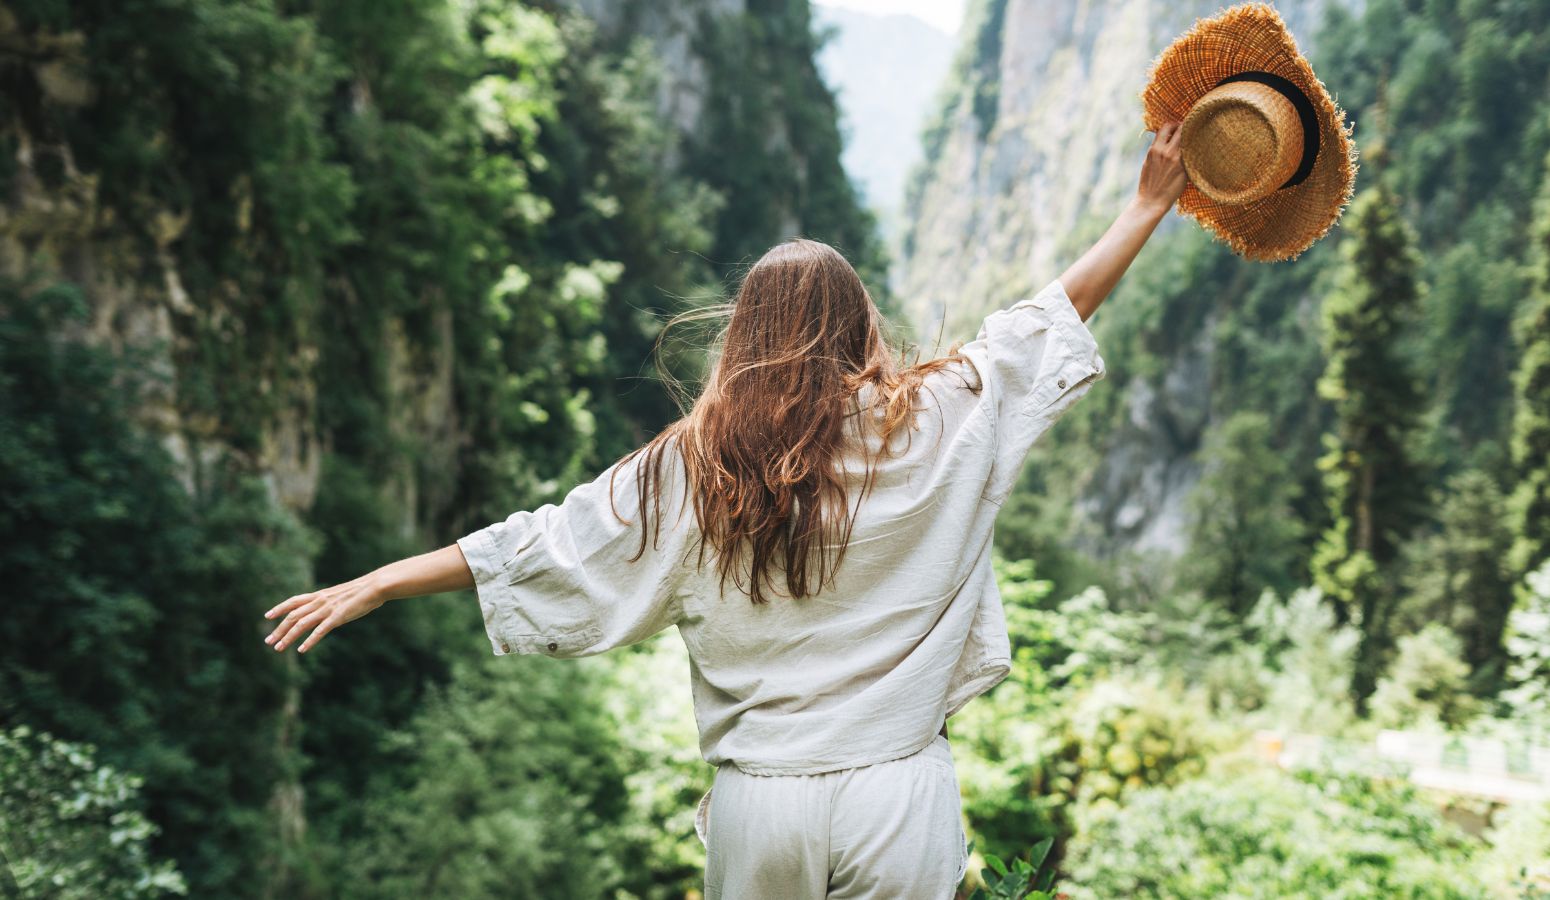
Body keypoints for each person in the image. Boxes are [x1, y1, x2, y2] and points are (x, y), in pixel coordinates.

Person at [261, 122, 1190, 898]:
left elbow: (545, 544)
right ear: (861, 322)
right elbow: (1042, 326)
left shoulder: (698, 466)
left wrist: (385, 581)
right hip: (897, 788)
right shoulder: (938, 416)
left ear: (744, 335)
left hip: (759, 805)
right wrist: (1145, 205)